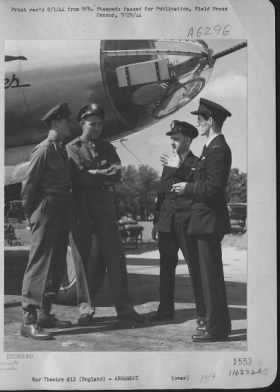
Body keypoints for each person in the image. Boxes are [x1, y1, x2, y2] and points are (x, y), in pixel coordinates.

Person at [66, 103, 145, 324]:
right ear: (82, 124)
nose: (97, 127)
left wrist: (93, 173)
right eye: (93, 123)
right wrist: (102, 173)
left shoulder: (107, 148)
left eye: (100, 124)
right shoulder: (72, 148)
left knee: (116, 259)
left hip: (105, 211)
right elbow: (79, 177)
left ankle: (125, 309)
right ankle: (85, 310)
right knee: (82, 261)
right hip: (82, 211)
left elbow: (117, 173)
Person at [173, 98, 232, 342]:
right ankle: (214, 324)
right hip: (203, 221)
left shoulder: (218, 149)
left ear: (210, 121)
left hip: (208, 221)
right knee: (207, 277)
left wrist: (187, 187)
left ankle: (216, 328)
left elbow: (212, 188)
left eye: (200, 119)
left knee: (211, 278)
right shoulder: (211, 148)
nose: (198, 122)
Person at [21, 103, 74, 340]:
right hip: (45, 208)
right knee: (40, 262)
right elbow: (28, 186)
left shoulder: (60, 149)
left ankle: (45, 314)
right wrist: (32, 215)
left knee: (56, 263)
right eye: (67, 122)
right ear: (56, 123)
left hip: (61, 208)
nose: (70, 126)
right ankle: (28, 320)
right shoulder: (43, 150)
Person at [151, 120, 206, 327]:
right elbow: (163, 191)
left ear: (188, 140)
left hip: (185, 223)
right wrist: (156, 221)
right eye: (171, 139)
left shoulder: (197, 163)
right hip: (166, 222)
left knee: (195, 268)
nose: (172, 143)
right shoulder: (170, 162)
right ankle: (165, 310)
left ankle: (203, 314)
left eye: (176, 139)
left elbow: (192, 190)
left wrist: (175, 169)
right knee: (166, 268)